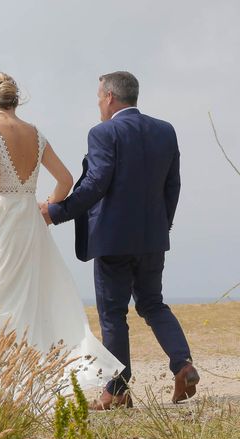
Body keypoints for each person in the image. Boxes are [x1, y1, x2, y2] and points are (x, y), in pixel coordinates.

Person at [0, 72, 124, 391]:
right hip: (29, 223)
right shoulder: (36, 134)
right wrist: (46, 207)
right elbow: (66, 180)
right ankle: (26, 375)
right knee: (26, 302)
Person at [42, 71, 199, 409]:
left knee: (113, 314)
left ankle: (117, 389)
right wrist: (162, 225)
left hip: (112, 240)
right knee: (153, 304)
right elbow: (173, 185)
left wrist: (56, 212)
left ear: (110, 97)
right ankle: (183, 364)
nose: (99, 104)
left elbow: (96, 183)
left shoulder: (103, 132)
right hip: (153, 237)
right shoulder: (165, 131)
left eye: (99, 98)